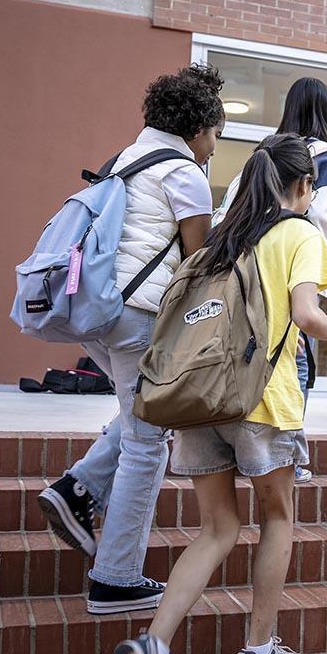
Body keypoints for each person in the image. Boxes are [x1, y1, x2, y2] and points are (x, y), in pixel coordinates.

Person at [114, 134, 327, 654]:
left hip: (201, 397)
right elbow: (307, 314)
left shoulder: (225, 236)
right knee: (277, 516)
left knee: (216, 529)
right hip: (263, 401)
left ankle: (153, 642)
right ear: (305, 185)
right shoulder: (301, 234)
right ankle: (260, 644)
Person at [36, 65, 223, 614]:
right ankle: (115, 576)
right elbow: (197, 263)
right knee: (148, 443)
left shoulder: (124, 160)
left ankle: (76, 490)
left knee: (138, 412)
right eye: (214, 132)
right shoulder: (184, 174)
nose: (214, 145)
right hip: (141, 317)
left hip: (99, 314)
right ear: (197, 127)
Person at [213, 76, 327, 483]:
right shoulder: (326, 157)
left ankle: (238, 438)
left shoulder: (266, 151)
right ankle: (288, 454)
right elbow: (323, 217)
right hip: (289, 266)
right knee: (295, 357)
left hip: (239, 261)